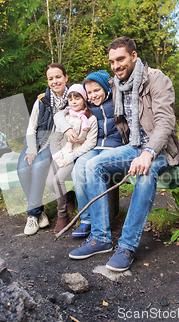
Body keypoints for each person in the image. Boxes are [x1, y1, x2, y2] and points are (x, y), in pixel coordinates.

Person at [68, 36, 179, 271]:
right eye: (112, 61)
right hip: (132, 146)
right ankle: (100, 238)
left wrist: (149, 152)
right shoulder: (116, 84)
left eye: (120, 59)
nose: (116, 65)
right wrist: (53, 96)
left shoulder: (157, 80)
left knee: (146, 170)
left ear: (134, 57)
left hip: (159, 149)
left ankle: (127, 246)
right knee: (93, 165)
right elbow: (91, 90)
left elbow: (165, 122)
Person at [60, 71, 124, 238]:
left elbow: (131, 81)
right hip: (94, 148)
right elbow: (62, 111)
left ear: (105, 88)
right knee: (78, 169)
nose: (93, 95)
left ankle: (99, 220)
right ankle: (86, 219)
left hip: (114, 148)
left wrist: (151, 71)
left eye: (97, 90)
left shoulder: (117, 99)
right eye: (89, 92)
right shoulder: (87, 108)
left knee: (92, 168)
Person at [17, 62, 69, 236]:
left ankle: (32, 215)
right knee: (23, 168)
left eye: (58, 77)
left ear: (66, 78)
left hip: (56, 144)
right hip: (37, 141)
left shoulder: (74, 98)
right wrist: (31, 148)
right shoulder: (41, 101)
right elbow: (31, 128)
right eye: (51, 78)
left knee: (38, 166)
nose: (55, 81)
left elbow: (93, 86)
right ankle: (39, 212)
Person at [46, 84, 98, 234]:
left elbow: (90, 142)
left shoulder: (90, 119)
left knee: (58, 180)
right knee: (50, 182)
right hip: (60, 154)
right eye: (70, 99)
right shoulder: (65, 117)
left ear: (84, 99)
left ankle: (62, 215)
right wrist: (57, 157)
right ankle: (69, 196)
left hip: (75, 155)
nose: (73, 102)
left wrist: (70, 157)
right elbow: (55, 138)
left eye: (77, 98)